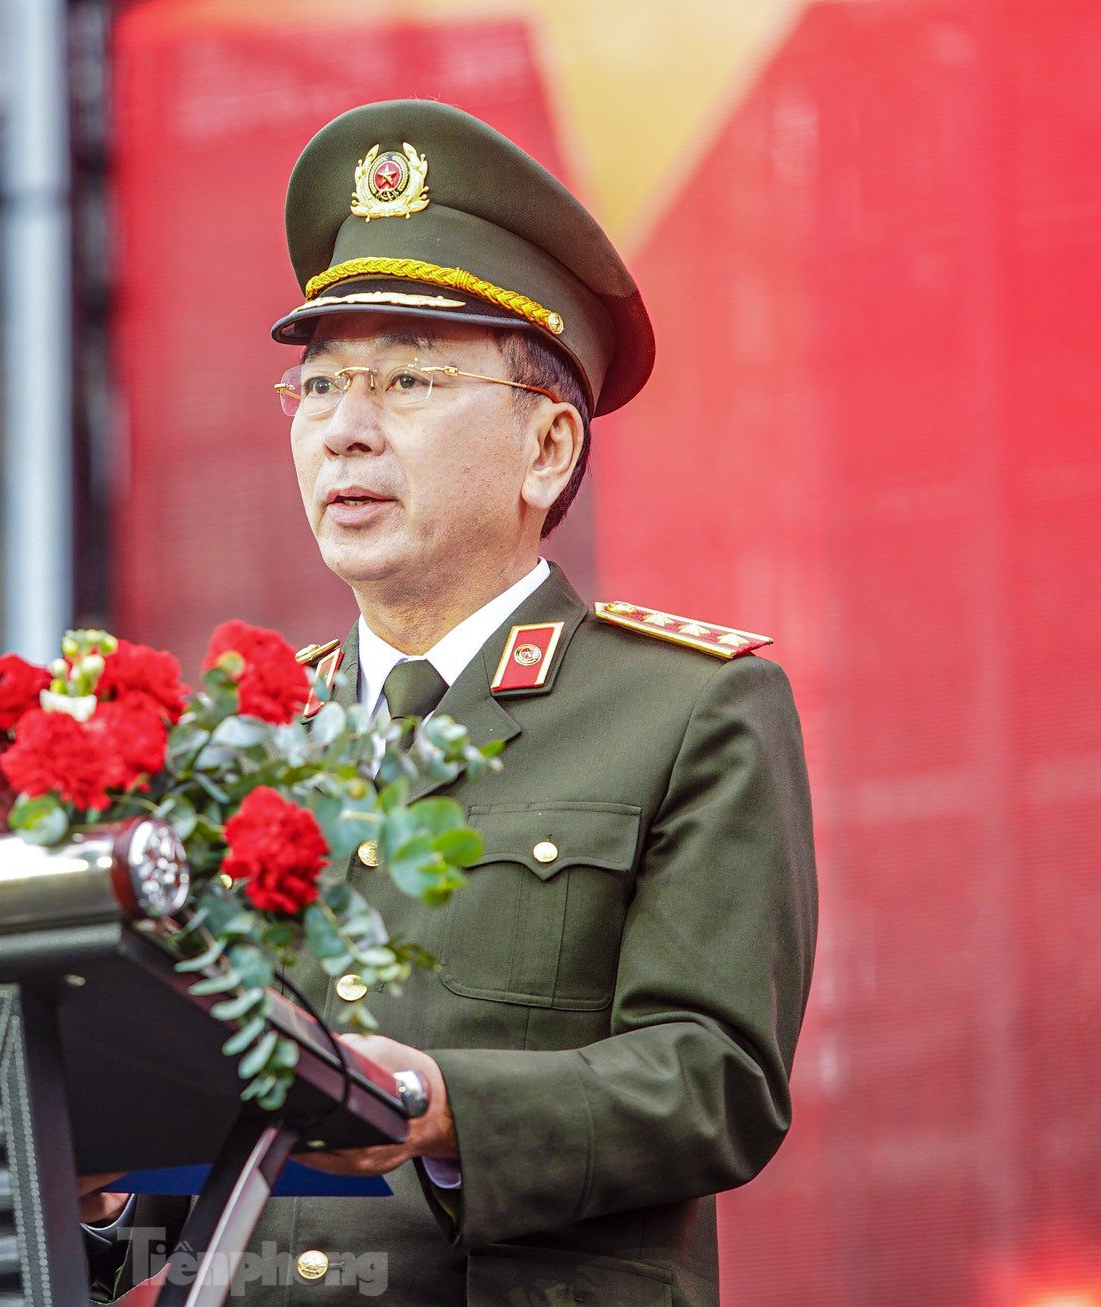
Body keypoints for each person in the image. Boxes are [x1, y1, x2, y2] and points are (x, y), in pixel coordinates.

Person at [85, 99, 817, 1307]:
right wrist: (105, 1185)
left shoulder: (687, 709)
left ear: (544, 447)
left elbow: (715, 1079)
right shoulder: (242, 740)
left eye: (409, 378)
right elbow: (188, 1112)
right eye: (317, 386)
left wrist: (441, 1105)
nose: (345, 432)